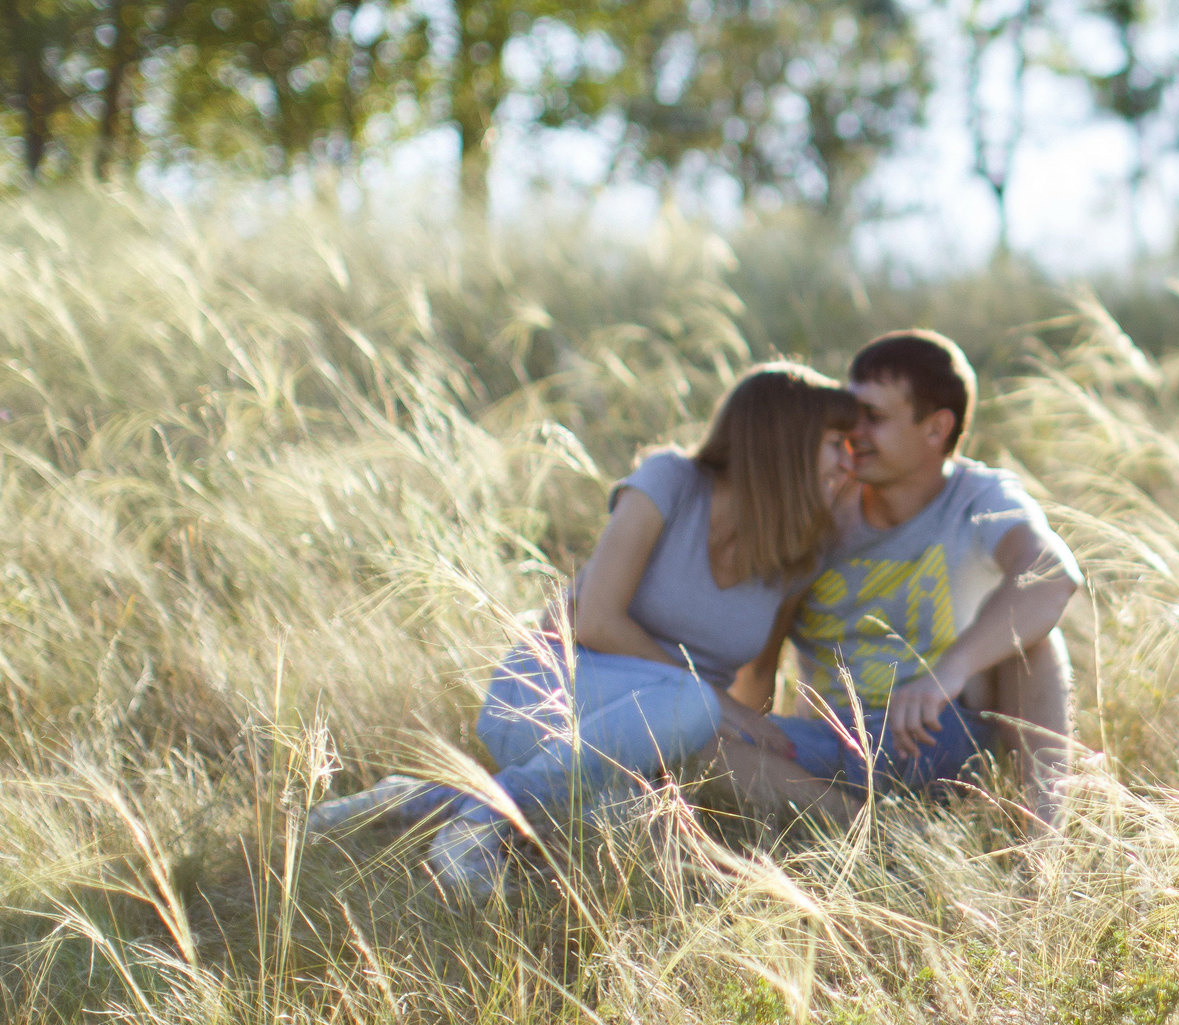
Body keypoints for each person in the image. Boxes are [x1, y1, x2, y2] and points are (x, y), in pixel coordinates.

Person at [308, 361, 873, 897]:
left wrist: (739, 733)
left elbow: (755, 676)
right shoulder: (670, 482)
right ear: (783, 445)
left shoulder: (802, 549)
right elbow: (595, 620)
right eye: (835, 446)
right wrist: (715, 706)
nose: (849, 464)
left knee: (665, 841)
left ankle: (427, 799)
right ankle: (482, 822)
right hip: (550, 698)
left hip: (667, 737)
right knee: (690, 708)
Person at [738, 330, 1081, 826]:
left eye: (873, 418)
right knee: (693, 737)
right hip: (832, 748)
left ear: (936, 428)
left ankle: (1043, 855)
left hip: (951, 740)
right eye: (849, 413)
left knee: (1037, 641)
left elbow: (1051, 573)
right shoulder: (819, 505)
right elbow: (758, 663)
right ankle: (879, 833)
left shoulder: (977, 497)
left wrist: (947, 672)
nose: (853, 431)